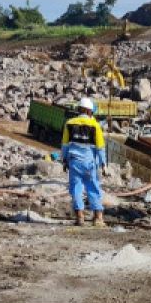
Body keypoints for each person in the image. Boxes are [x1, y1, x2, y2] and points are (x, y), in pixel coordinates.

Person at [62, 97, 107, 226]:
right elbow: (100, 147)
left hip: (74, 162)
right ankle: (98, 217)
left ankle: (80, 217)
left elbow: (65, 145)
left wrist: (64, 161)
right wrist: (104, 164)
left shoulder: (69, 123)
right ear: (89, 111)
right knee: (93, 187)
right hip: (89, 163)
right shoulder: (95, 125)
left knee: (76, 188)